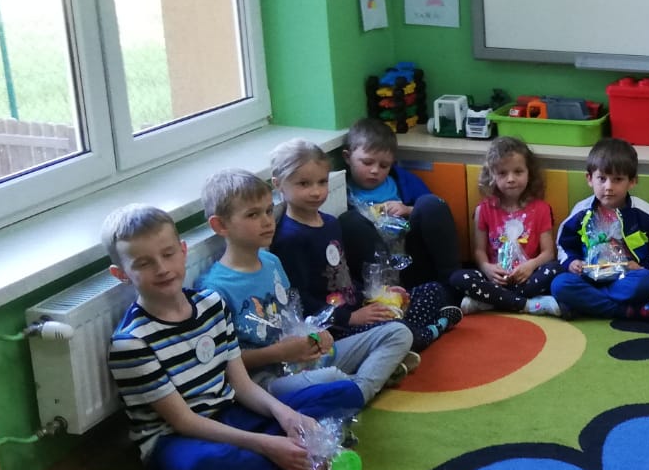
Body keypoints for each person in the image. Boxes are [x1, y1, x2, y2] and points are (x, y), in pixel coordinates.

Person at [102, 203, 361, 470]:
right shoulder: (132, 343)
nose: (162, 268)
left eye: (168, 254)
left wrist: (288, 416)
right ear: (121, 274)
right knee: (205, 466)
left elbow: (242, 385)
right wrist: (267, 444)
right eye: (144, 263)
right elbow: (184, 421)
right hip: (177, 440)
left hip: (231, 413)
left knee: (346, 392)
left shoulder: (212, 304)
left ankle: (271, 464)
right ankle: (293, 456)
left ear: (183, 251)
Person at [198, 169, 419, 403]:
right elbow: (223, 361)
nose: (267, 221)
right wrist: (277, 353)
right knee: (331, 377)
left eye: (268, 211)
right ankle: (362, 385)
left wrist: (315, 334)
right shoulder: (214, 289)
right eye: (253, 215)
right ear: (220, 225)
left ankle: (355, 389)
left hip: (304, 361)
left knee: (398, 333)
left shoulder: (271, 262)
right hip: (266, 382)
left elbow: (293, 316)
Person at [269, 139, 460, 351]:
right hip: (336, 328)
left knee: (433, 290)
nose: (316, 191)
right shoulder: (289, 239)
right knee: (396, 330)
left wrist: (379, 294)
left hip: (358, 307)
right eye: (304, 184)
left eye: (322, 182)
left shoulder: (330, 223)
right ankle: (427, 332)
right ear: (278, 184)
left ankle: (410, 337)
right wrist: (351, 318)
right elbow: (301, 302)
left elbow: (344, 279)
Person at [550, 136, 649, 320]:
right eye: (602, 179)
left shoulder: (643, 212)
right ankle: (627, 311)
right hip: (590, 278)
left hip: (627, 278)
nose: (608, 187)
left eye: (617, 179)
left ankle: (587, 305)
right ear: (589, 178)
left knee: (647, 281)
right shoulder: (581, 211)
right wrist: (571, 262)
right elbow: (564, 244)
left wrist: (643, 266)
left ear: (632, 181)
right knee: (559, 284)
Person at [340, 117, 462, 292]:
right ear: (347, 157)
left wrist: (407, 210)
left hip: (412, 260)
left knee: (432, 204)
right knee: (349, 221)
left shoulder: (401, 180)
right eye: (367, 162)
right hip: (377, 272)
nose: (375, 170)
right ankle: (385, 296)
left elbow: (431, 211)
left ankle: (454, 283)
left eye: (384, 165)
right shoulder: (341, 191)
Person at [449, 135, 561, 316]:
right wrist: (487, 268)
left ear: (529, 173)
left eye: (518, 172)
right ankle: (527, 305)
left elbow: (548, 253)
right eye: (502, 173)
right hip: (495, 279)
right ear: (492, 176)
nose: (511, 179)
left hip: (527, 277)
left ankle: (490, 301)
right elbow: (478, 251)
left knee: (556, 269)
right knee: (458, 278)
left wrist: (530, 266)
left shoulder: (541, 209)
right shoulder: (484, 209)